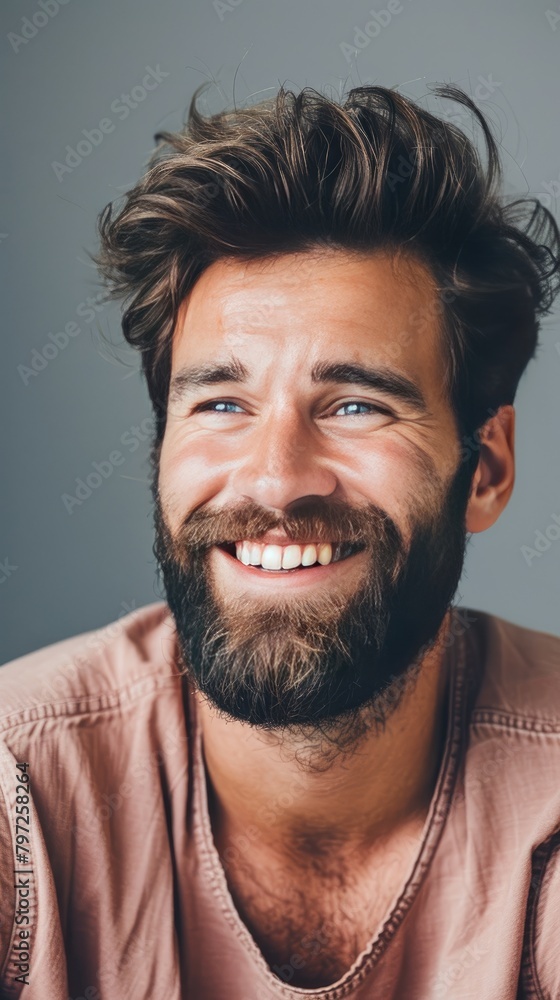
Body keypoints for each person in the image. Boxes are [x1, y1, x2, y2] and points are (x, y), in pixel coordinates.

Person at [1, 82, 559, 1000]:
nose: (273, 478)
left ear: (486, 470)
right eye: (221, 404)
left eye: (355, 405)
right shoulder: (19, 785)